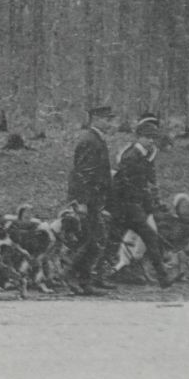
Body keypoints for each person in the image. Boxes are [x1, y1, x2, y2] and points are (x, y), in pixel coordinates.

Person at [104, 114, 173, 288]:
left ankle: (161, 276)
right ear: (139, 137)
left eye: (153, 138)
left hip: (133, 207)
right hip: (127, 207)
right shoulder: (131, 156)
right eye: (148, 137)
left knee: (145, 237)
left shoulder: (144, 155)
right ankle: (102, 273)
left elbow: (145, 183)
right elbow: (125, 185)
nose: (151, 141)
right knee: (114, 241)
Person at [66, 104, 116, 294]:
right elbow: (83, 174)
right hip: (87, 199)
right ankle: (70, 276)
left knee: (94, 240)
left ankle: (84, 281)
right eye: (107, 119)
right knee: (88, 240)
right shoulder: (90, 140)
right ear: (95, 120)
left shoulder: (96, 139)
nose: (109, 123)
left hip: (94, 198)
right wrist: (83, 202)